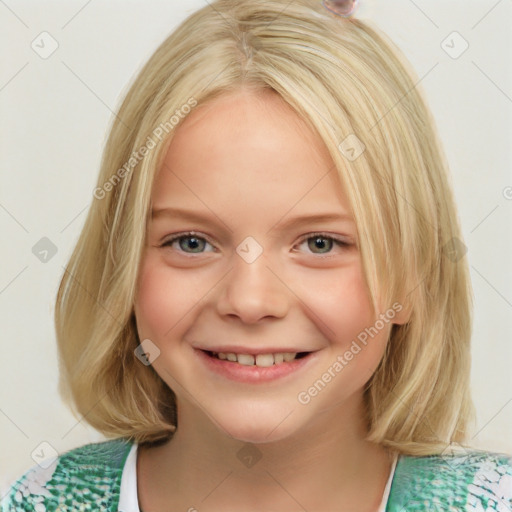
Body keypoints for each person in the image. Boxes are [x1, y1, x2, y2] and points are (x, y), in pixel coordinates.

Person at [3, 0, 511, 511]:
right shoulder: (43, 500)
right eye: (192, 243)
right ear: (123, 269)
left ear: (412, 275)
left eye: (319, 244)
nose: (249, 301)